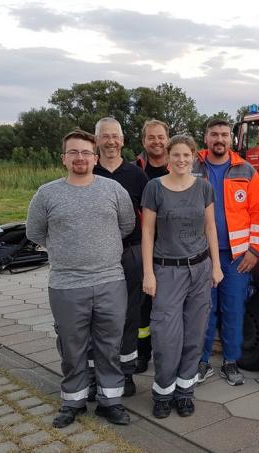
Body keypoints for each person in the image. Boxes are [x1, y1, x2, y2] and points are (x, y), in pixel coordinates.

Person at [26, 129, 135, 428]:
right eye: (73, 152)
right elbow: (34, 232)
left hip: (110, 281)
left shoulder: (113, 190)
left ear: (95, 157)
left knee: (109, 345)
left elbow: (126, 225)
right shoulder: (47, 194)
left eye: (86, 152)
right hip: (66, 285)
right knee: (72, 346)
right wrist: (65, 250)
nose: (80, 158)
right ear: (63, 158)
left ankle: (110, 401)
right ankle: (73, 401)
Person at [141, 135, 224, 419]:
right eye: (175, 155)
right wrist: (148, 273)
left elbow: (211, 228)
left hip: (199, 269)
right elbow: (148, 232)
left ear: (193, 157)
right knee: (165, 335)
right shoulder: (154, 188)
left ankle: (185, 392)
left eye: (186, 155)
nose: (181, 160)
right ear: (167, 157)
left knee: (195, 333)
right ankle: (163, 392)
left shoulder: (204, 188)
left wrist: (216, 266)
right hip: (167, 270)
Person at [193, 118, 259, 386]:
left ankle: (230, 362)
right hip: (201, 255)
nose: (219, 139)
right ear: (206, 138)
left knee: (233, 309)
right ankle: (201, 361)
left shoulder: (246, 171)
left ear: (232, 139)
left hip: (236, 258)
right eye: (214, 134)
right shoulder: (192, 166)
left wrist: (254, 250)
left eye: (224, 134)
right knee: (203, 310)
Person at [92, 117, 149, 398]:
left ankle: (126, 374)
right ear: (97, 141)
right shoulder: (88, 171)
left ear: (123, 141)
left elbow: (149, 219)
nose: (111, 141)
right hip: (96, 257)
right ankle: (96, 373)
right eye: (106, 136)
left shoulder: (137, 175)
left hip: (129, 253)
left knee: (129, 315)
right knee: (97, 315)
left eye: (116, 136)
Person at [134, 119, 171, 374]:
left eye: (161, 137)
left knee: (168, 303)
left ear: (167, 138)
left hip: (172, 248)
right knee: (141, 304)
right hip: (142, 245)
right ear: (143, 141)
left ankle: (167, 352)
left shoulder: (179, 166)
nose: (157, 142)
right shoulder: (136, 171)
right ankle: (142, 352)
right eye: (151, 138)